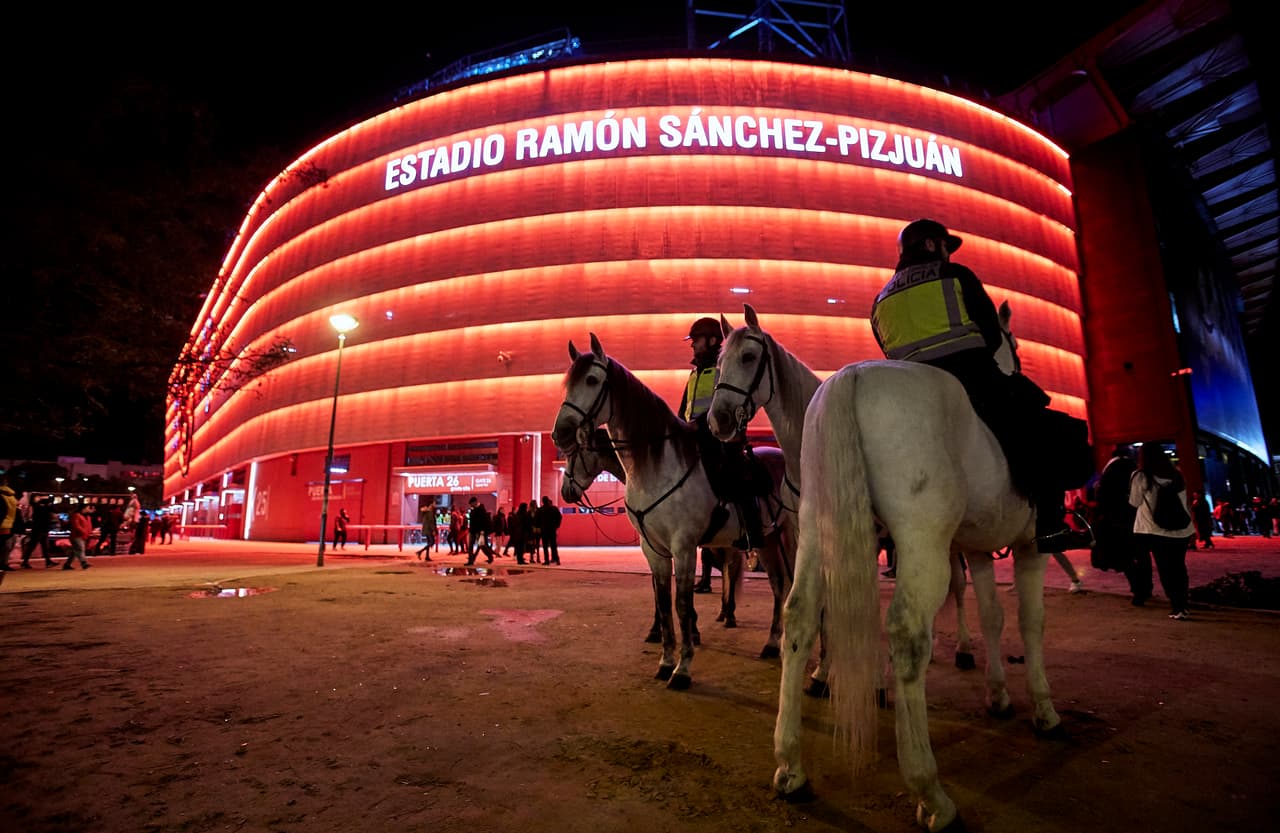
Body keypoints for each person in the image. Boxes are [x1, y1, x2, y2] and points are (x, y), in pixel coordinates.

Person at [869, 218, 1091, 553]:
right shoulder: (956, 276)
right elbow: (989, 331)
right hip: (972, 378)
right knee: (1043, 427)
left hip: (914, 395)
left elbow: (888, 351)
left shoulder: (880, 300)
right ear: (931, 245)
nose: (948, 253)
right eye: (945, 246)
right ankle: (1050, 524)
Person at [678, 316, 767, 571]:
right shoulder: (694, 374)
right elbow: (683, 409)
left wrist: (702, 427)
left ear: (713, 340)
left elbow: (729, 404)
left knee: (736, 477)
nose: (692, 345)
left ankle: (752, 533)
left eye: (696, 340)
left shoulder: (722, 369)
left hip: (722, 439)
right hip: (693, 438)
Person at [1128, 444, 1195, 619]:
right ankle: (1182, 604)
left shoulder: (1141, 476)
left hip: (1155, 529)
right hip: (1181, 529)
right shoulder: (1176, 474)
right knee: (1179, 567)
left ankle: (1177, 606)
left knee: (1165, 568)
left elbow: (1134, 502)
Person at [20, 496, 57, 568]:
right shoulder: (40, 508)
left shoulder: (38, 508)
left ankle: (48, 561)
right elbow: (53, 510)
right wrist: (48, 505)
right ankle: (25, 562)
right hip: (39, 529)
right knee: (33, 546)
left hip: (41, 529)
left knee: (43, 546)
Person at [465, 497, 495, 564]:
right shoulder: (472, 509)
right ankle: (470, 561)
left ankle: (490, 556)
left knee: (482, 546)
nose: (471, 505)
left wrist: (482, 530)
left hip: (479, 530)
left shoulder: (481, 509)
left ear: (475, 502)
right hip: (472, 530)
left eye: (471, 504)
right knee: (470, 546)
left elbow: (483, 521)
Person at [62, 503, 92, 570]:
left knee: (74, 551)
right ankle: (84, 563)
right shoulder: (76, 515)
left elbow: (88, 526)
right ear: (83, 508)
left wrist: (88, 533)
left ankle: (67, 564)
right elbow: (76, 526)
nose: (89, 509)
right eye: (88, 508)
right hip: (76, 536)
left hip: (83, 536)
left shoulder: (88, 517)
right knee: (80, 549)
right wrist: (84, 531)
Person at [535, 496, 562, 565]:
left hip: (544, 530)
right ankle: (557, 559)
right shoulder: (554, 508)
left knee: (545, 546)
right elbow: (559, 517)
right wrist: (557, 525)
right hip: (552, 530)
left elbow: (536, 519)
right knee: (553, 545)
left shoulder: (540, 510)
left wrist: (538, 526)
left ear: (542, 502)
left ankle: (546, 560)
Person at [0, 475, 18, 570]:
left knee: (4, 546)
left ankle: (2, 563)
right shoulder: (11, 495)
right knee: (6, 546)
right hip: (9, 524)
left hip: (3, 523)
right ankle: (3, 563)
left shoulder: (4, 494)